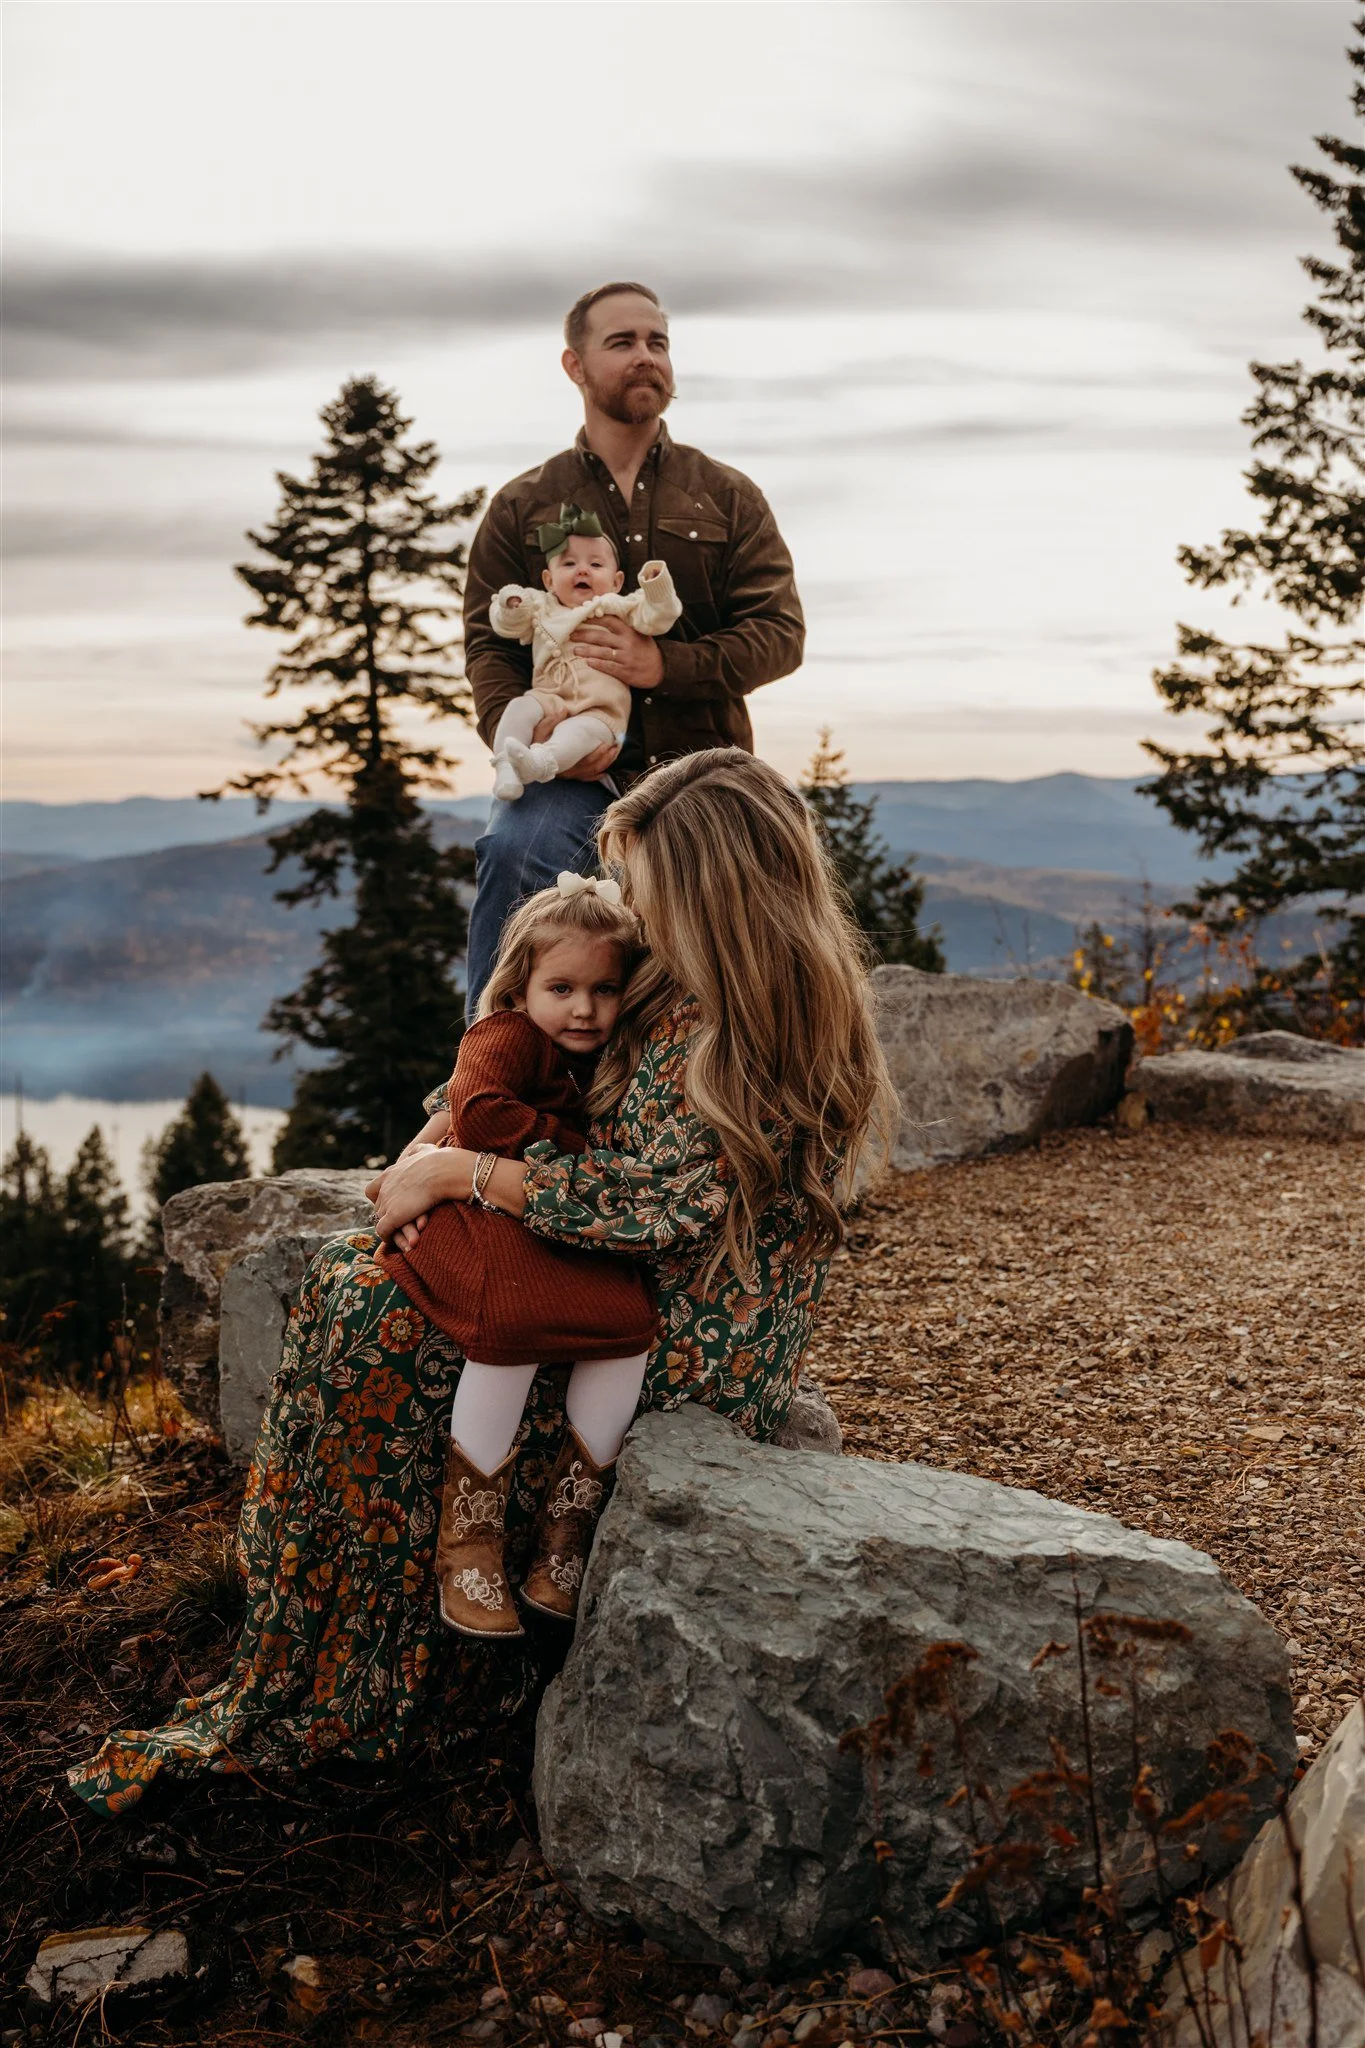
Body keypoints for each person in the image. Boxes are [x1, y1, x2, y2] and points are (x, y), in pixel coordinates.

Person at [68, 750, 894, 1817]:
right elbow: (544, 1059)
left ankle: (400, 1680)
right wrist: (447, 1123)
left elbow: (660, 1209)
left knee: (377, 1329)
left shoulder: (757, 1026)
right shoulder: (678, 980)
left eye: (647, 894)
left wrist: (468, 1172)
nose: (630, 916)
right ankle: (321, 1639)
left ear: (711, 896)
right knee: (351, 1279)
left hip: (669, 1331)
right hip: (603, 1273)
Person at [462, 279, 805, 1015]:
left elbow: (780, 635)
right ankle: (482, 1085)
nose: (645, 357)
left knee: (729, 951)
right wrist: (521, 728)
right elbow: (487, 650)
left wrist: (664, 665)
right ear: (574, 366)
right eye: (622, 342)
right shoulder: (522, 505)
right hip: (563, 773)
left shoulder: (726, 494)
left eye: (658, 342)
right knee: (511, 853)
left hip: (699, 769)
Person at [381, 875, 657, 1638]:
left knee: (626, 1325)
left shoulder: (593, 1055)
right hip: (476, 1214)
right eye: (561, 986)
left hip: (529, 1215)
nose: (583, 1007)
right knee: (508, 1329)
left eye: (604, 989)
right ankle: (468, 1541)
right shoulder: (504, 1035)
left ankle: (566, 1531)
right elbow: (480, 1112)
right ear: (519, 986)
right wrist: (576, 1151)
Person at [488, 517, 680, 801]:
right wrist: (511, 604)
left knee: (578, 733)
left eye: (596, 565)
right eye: (569, 564)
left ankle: (539, 763)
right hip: (548, 698)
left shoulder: (618, 606)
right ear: (548, 580)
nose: (582, 570)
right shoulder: (541, 606)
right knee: (518, 707)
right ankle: (506, 767)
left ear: (616, 582)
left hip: (599, 711)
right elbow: (506, 625)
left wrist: (656, 586)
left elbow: (658, 617)